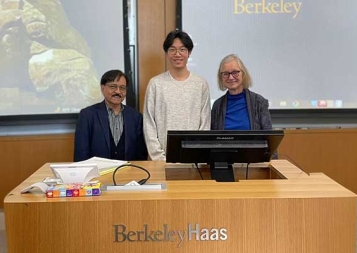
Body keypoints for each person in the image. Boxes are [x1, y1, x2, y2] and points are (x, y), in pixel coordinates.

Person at [143, 30, 211, 161]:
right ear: (166, 53)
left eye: (182, 49)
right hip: (161, 161)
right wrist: (159, 158)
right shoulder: (155, 84)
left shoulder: (200, 84)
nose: (177, 54)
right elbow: (149, 124)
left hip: (194, 160)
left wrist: (196, 154)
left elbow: (205, 124)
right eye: (172, 49)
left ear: (189, 52)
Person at [74, 70, 147, 162]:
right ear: (103, 88)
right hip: (98, 173)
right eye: (113, 87)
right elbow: (81, 153)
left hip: (128, 172)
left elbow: (141, 154)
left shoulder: (136, 117)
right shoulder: (87, 115)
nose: (118, 91)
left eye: (122, 88)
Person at [211, 54, 273, 131]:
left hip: (253, 143)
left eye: (235, 72)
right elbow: (213, 138)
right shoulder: (217, 105)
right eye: (226, 74)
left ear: (243, 74)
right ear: (221, 77)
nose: (230, 77)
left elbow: (269, 136)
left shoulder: (259, 102)